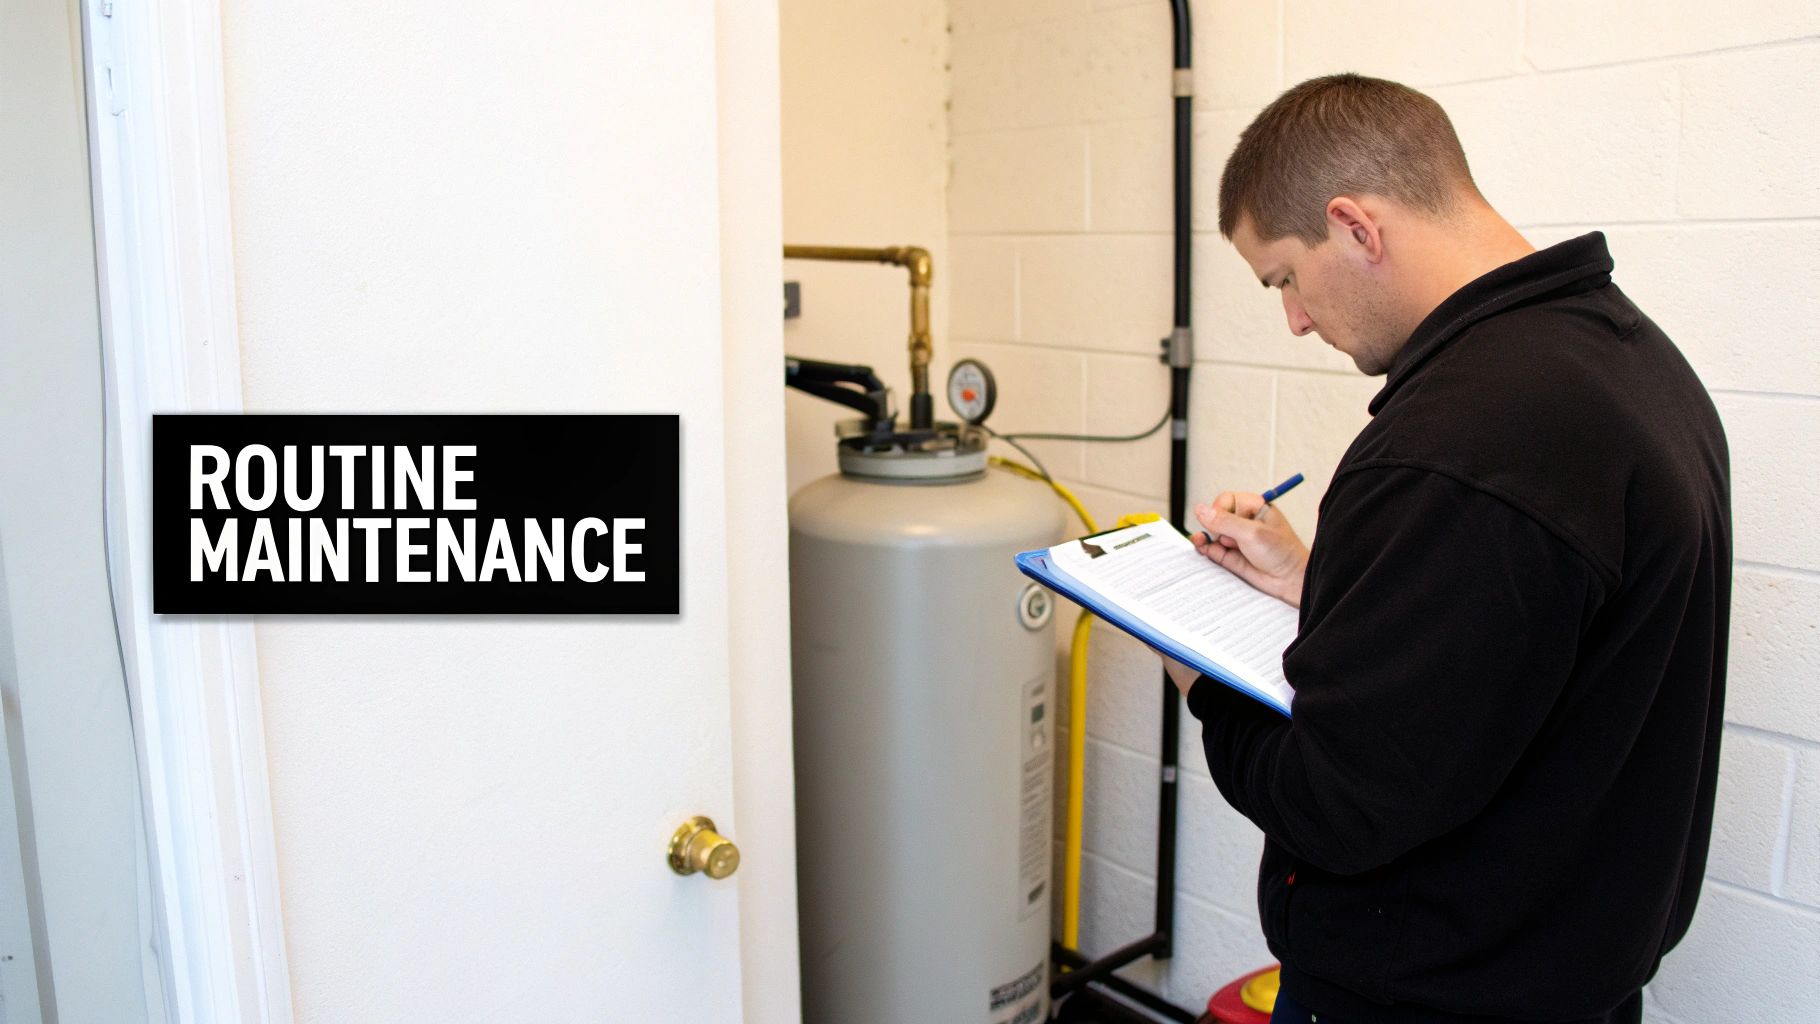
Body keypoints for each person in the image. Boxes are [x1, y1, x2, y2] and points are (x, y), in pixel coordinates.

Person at [1163, 74, 1731, 1024]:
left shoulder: (1459, 443)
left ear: (1355, 226)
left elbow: (1337, 804)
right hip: (1561, 977)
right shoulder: (1630, 363)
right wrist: (1318, 586)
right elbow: (1521, 655)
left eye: (1286, 281)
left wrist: (1197, 673)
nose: (1296, 321)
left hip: (1430, 996)